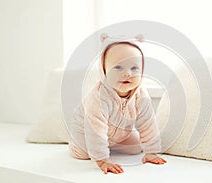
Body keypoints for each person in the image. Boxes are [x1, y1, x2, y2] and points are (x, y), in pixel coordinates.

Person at [68, 33, 166, 174]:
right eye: (118, 67)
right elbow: (95, 130)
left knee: (136, 147)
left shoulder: (141, 95)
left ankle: (107, 145)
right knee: (83, 154)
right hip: (86, 132)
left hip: (116, 135)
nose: (127, 73)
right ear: (104, 70)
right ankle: (80, 146)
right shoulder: (98, 97)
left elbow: (148, 124)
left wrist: (151, 151)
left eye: (134, 68)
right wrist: (102, 159)